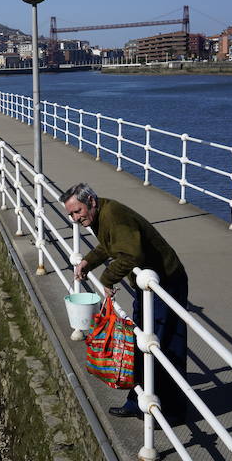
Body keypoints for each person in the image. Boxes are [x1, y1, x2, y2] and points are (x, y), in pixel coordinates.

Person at [59, 182, 188, 424]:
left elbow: (131, 255)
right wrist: (87, 262)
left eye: (77, 211)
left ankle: (172, 409)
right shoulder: (103, 215)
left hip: (166, 281)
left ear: (91, 203)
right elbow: (110, 246)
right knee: (141, 341)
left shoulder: (113, 216)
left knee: (164, 342)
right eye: (71, 214)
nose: (75, 218)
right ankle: (138, 401)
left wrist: (108, 279)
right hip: (149, 284)